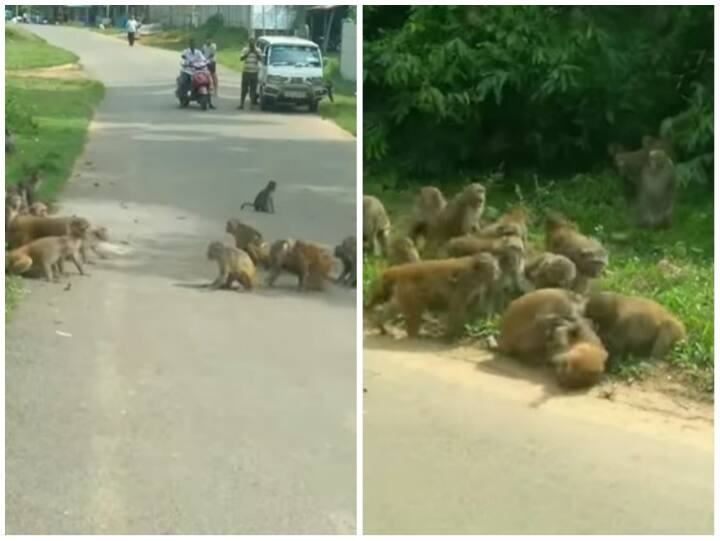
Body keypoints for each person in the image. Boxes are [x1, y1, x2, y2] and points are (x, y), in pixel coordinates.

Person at [179, 39, 215, 108]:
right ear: (189, 45)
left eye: (194, 44)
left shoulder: (198, 52)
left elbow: (203, 59)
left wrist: (207, 62)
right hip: (188, 71)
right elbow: (182, 59)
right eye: (191, 44)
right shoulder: (185, 52)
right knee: (183, 82)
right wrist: (185, 63)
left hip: (198, 71)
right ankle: (183, 99)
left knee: (207, 81)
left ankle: (210, 103)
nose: (192, 45)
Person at [238, 37, 261, 110]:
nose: (252, 44)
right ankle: (241, 104)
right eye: (250, 42)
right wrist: (248, 53)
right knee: (244, 89)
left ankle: (252, 104)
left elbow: (261, 59)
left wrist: (255, 52)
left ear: (255, 43)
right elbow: (241, 58)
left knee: (253, 89)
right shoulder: (245, 49)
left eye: (253, 42)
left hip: (254, 72)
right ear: (248, 43)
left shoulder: (258, 50)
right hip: (246, 72)